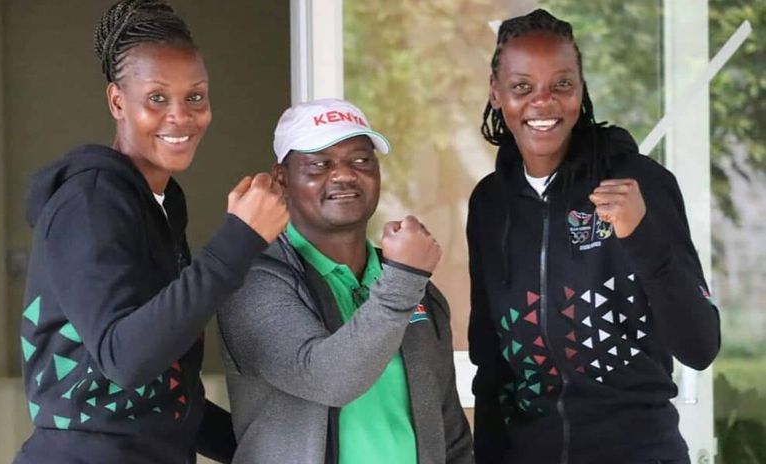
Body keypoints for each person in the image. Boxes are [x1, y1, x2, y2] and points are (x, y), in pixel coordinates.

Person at [14, 1, 288, 462]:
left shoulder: (161, 203)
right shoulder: (90, 201)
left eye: (195, 96)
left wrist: (282, 451)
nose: (180, 116)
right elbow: (127, 359)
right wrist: (239, 238)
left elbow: (170, 394)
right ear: (118, 101)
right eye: (157, 98)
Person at [467, 9, 720, 464]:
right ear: (496, 92)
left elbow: (700, 345)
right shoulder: (491, 204)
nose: (542, 103)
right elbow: (490, 359)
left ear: (581, 89)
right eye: (522, 87)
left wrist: (639, 234)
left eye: (561, 84)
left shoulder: (638, 183)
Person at [218, 98, 473, 464]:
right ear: (282, 179)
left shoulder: (412, 288)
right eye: (320, 164)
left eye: (361, 161)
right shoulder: (252, 283)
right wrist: (405, 278)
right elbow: (328, 379)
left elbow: (451, 432)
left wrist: (404, 279)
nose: (344, 175)